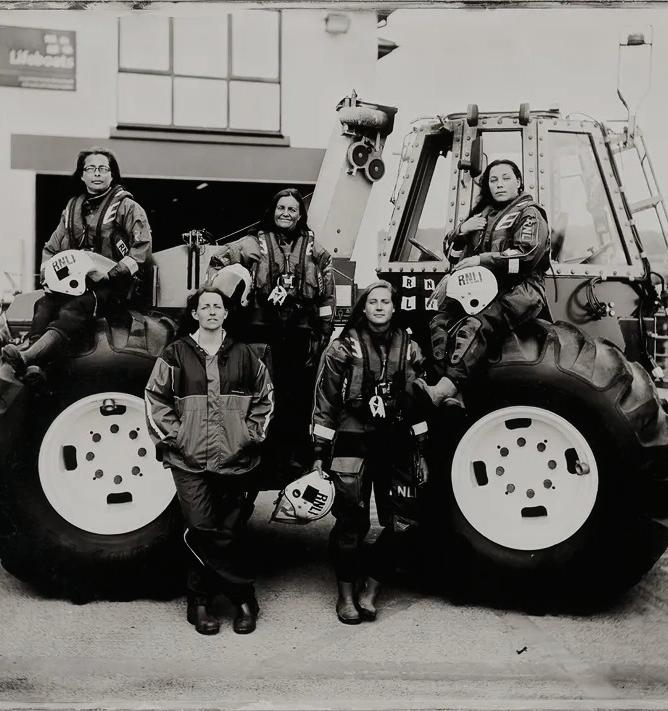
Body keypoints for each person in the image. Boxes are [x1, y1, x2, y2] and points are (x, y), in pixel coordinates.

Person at [145, 286, 274, 636]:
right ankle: (240, 598)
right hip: (189, 460)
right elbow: (155, 398)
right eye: (206, 306)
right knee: (201, 529)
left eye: (218, 306)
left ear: (226, 313)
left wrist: (249, 434)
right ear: (196, 314)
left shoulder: (245, 354)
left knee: (228, 532)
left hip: (235, 458)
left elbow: (265, 398)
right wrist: (178, 437)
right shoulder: (176, 353)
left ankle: (200, 601)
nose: (212, 311)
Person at [311, 281, 430, 624]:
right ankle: (346, 595)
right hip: (352, 440)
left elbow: (418, 403)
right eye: (373, 301)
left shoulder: (410, 349)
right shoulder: (342, 349)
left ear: (394, 307)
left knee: (403, 524)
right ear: (363, 307)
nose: (379, 307)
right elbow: (325, 403)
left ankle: (371, 589)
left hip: (396, 442)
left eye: (385, 301)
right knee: (351, 522)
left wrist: (421, 452)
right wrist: (319, 454)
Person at [206, 188, 335, 479]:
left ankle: (291, 463)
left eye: (292, 209)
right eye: (281, 208)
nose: (286, 213)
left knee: (296, 400)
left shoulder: (317, 252)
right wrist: (225, 300)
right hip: (260, 335)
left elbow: (327, 298)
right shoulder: (250, 244)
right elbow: (216, 264)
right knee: (261, 398)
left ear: (300, 215)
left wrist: (323, 335)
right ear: (273, 211)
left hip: (300, 337)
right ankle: (256, 459)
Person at [1, 147, 152, 384]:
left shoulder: (127, 207)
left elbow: (142, 247)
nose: (97, 173)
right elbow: (51, 249)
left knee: (77, 306)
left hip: (115, 287)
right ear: (82, 175)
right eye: (90, 168)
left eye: (103, 169)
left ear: (112, 174)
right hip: (76, 284)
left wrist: (111, 274)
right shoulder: (72, 209)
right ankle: (34, 365)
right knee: (44, 304)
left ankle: (28, 357)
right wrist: (48, 277)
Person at [418, 159, 550, 406]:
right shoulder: (483, 217)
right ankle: (451, 393)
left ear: (518, 182)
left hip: (521, 290)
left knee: (478, 323)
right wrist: (461, 231)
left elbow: (526, 255)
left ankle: (444, 390)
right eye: (493, 180)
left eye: (506, 178)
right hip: (481, 288)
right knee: (441, 322)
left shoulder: (530, 213)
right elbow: (453, 257)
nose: (499, 184)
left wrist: (482, 259)